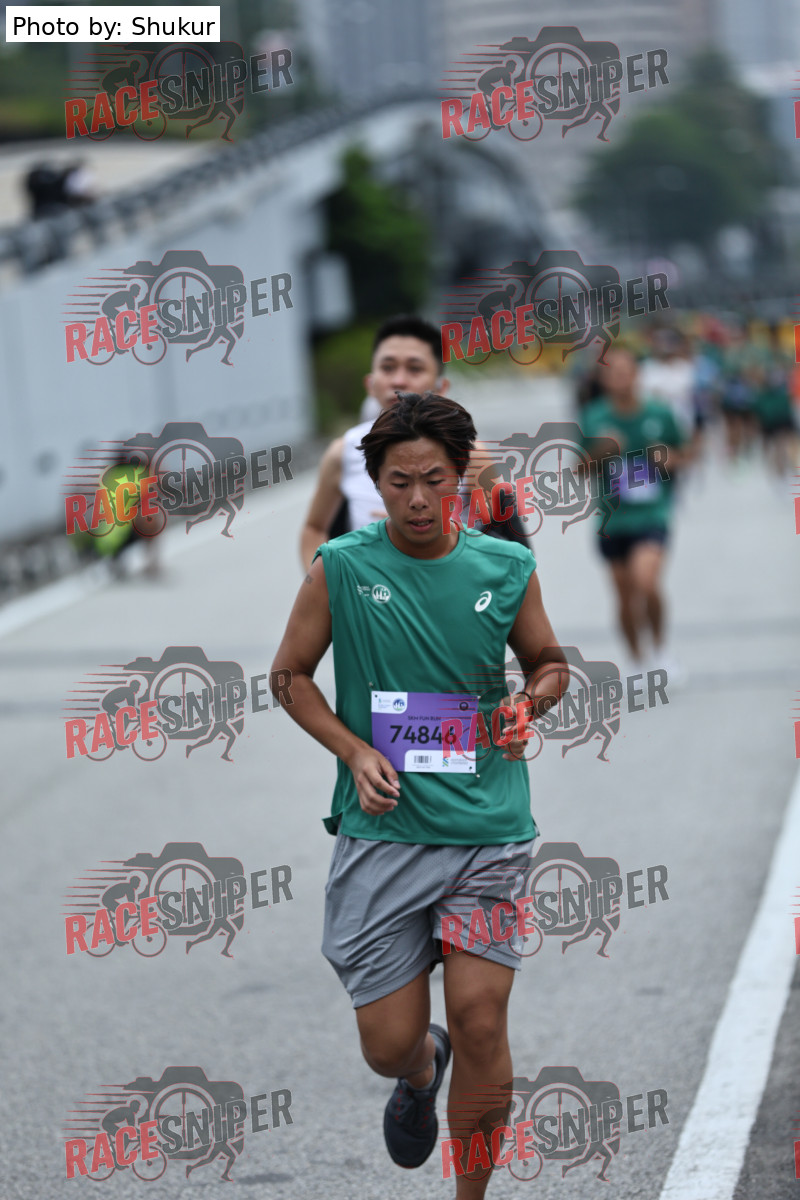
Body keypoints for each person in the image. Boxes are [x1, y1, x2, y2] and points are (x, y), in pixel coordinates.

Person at [273, 391, 566, 1194]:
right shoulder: (342, 567)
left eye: (434, 479)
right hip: (384, 830)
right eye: (399, 482)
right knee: (387, 1043)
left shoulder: (506, 567)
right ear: (376, 482)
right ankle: (418, 1068)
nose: (417, 499)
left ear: (460, 477)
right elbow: (289, 675)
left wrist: (528, 705)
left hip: (488, 827)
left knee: (481, 1020)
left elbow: (549, 663)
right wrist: (354, 750)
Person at [300, 315, 533, 571]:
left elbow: (505, 541)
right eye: (387, 368)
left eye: (415, 368)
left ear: (441, 387)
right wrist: (325, 582)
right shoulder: (343, 452)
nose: (398, 381)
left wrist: (421, 530)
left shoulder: (471, 454)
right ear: (370, 384)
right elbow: (314, 528)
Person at [580, 347, 687, 675]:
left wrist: (669, 459)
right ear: (604, 379)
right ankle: (636, 660)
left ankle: (661, 650)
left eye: (626, 372)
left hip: (652, 514)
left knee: (646, 582)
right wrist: (602, 451)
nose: (620, 379)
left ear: (638, 375)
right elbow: (579, 468)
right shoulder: (594, 417)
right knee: (624, 596)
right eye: (613, 373)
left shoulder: (660, 413)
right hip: (612, 519)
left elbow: (684, 453)